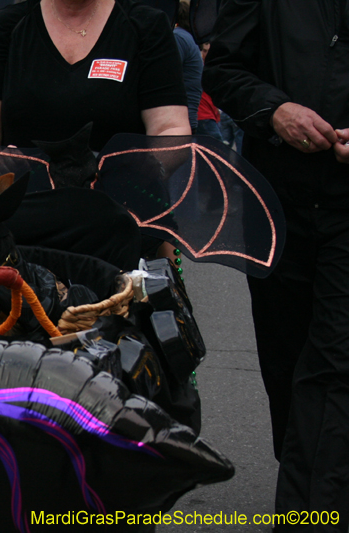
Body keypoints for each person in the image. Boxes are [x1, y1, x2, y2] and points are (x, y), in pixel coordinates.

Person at [203, 0, 349, 527]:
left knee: (335, 359)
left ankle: (313, 511)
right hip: (276, 203)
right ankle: (310, 482)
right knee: (285, 358)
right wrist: (275, 111)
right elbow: (223, 68)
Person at [0, 0, 190, 269]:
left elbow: (171, 128)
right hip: (25, 224)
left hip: (122, 222)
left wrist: (150, 162)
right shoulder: (8, 25)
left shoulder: (145, 25)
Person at [173, 0, 203, 134]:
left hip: (178, 121)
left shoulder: (177, 37)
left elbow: (167, 73)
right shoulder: (188, 37)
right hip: (188, 117)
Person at [194, 43, 222, 141]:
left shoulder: (209, 66)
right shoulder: (198, 66)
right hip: (203, 114)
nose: (205, 54)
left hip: (210, 113)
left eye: (208, 51)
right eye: (204, 51)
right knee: (216, 147)